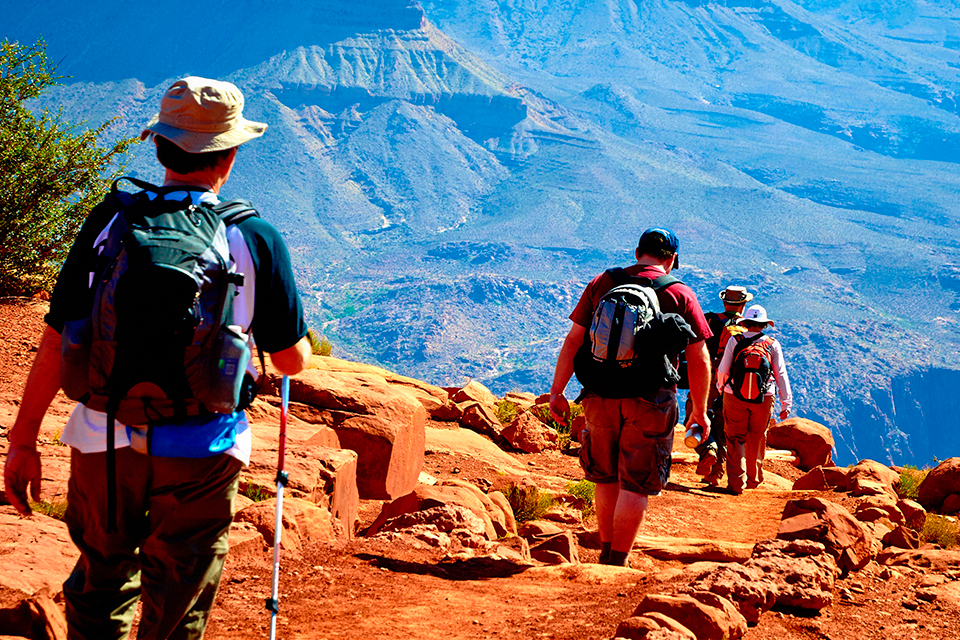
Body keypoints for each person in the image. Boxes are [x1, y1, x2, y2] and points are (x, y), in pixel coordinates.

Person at [3, 76, 312, 640]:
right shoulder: (255, 236)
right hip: (203, 446)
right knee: (178, 592)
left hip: (103, 437)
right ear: (231, 154)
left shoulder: (109, 223)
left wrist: (23, 440)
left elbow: (58, 336)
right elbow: (290, 360)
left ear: (159, 145)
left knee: (101, 579)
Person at [549, 228, 713, 567]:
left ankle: (606, 552)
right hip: (650, 399)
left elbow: (574, 341)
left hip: (599, 394)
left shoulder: (603, 283)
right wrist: (699, 410)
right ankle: (618, 562)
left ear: (638, 252)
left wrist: (557, 392)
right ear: (672, 259)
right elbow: (699, 357)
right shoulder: (679, 293)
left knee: (605, 476)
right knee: (635, 484)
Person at [716, 304, 792, 495]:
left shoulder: (735, 341)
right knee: (757, 436)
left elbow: (723, 370)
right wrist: (786, 402)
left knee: (734, 438)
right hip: (764, 397)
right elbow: (780, 374)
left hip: (734, 395)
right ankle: (753, 478)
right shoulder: (772, 344)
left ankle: (735, 483)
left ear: (746, 323)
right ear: (764, 324)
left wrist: (721, 388)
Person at [693, 285, 752, 486]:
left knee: (694, 415)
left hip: (707, 375)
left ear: (724, 302)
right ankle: (715, 474)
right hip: (733, 382)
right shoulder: (747, 327)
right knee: (722, 424)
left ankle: (707, 449)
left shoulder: (709, 320)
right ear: (743, 305)